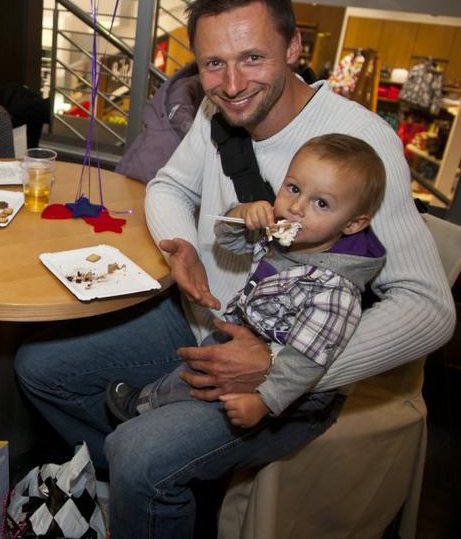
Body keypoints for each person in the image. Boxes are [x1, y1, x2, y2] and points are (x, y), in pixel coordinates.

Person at [14, 0, 454, 538]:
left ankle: (145, 480)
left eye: (252, 57)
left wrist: (278, 366)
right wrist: (181, 247)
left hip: (291, 369)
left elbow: (428, 308)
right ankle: (137, 491)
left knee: (142, 456)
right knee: (39, 368)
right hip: (202, 320)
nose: (231, 83)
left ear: (293, 48)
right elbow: (169, 187)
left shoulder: (363, 143)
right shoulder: (214, 111)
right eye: (213, 63)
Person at [106, 134, 386, 429]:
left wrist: (265, 401)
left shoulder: (334, 290)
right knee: (194, 366)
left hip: (277, 381)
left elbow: (305, 362)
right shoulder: (284, 236)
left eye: (321, 203)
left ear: (353, 224)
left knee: (194, 380)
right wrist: (241, 215)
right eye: (293, 188)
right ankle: (153, 398)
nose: (296, 207)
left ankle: (143, 405)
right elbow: (229, 240)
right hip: (241, 330)